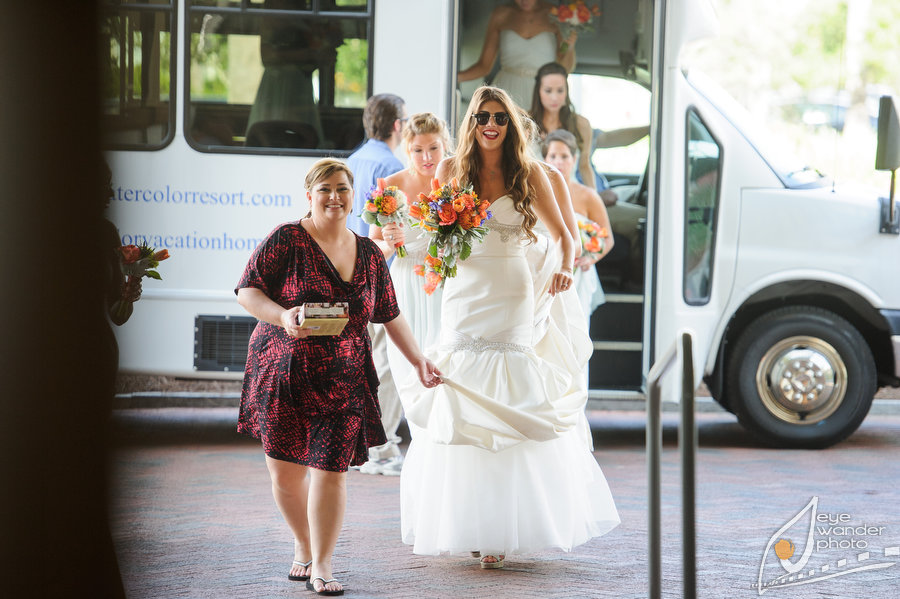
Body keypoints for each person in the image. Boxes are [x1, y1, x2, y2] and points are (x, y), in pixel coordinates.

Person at [398, 86, 619, 569]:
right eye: (482, 117)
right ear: (471, 123)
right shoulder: (450, 170)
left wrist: (563, 267)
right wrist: (414, 251)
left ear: (511, 123)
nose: (490, 124)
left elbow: (564, 237)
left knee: (511, 393)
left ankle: (503, 529)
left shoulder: (532, 173)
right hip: (465, 291)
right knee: (461, 390)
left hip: (513, 291)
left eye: (499, 116)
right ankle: (472, 522)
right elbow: (437, 235)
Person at [235, 158, 441, 595]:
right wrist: (283, 315)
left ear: (353, 195)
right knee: (287, 477)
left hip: (344, 380)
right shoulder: (286, 238)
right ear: (309, 194)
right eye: (325, 188)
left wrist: (419, 359)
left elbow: (391, 314)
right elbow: (248, 290)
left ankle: (324, 565)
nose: (334, 197)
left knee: (331, 472)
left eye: (342, 188)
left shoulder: (369, 253)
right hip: (283, 371)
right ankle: (303, 547)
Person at [368, 113, 453, 398]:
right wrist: (390, 243)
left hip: (447, 278)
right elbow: (374, 249)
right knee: (408, 367)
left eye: (434, 148)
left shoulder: (458, 183)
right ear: (408, 150)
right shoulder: (390, 185)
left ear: (445, 146)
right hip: (406, 280)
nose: (427, 157)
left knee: (447, 357)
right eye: (418, 150)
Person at [347, 93, 408, 475]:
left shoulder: (353, 160)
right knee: (386, 362)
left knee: (364, 361)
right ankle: (380, 445)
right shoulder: (392, 166)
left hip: (348, 272)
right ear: (398, 125)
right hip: (379, 270)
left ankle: (360, 442)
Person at [542, 128, 614, 320]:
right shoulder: (538, 195)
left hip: (578, 274)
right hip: (546, 270)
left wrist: (590, 258)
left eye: (564, 156)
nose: (558, 162)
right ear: (545, 159)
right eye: (553, 156)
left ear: (574, 159)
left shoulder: (588, 196)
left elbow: (608, 239)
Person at [458, 0, 577, 110]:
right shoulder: (501, 14)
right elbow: (483, 66)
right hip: (507, 88)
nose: (524, 1)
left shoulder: (557, 14)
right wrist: (452, 77)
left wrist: (570, 47)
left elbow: (565, 69)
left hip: (542, 91)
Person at [529, 62, 596, 190]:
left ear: (567, 91)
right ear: (539, 91)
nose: (554, 97)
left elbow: (584, 166)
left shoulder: (581, 124)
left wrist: (595, 201)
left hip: (570, 194)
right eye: (548, 91)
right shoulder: (525, 123)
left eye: (560, 90)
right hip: (533, 196)